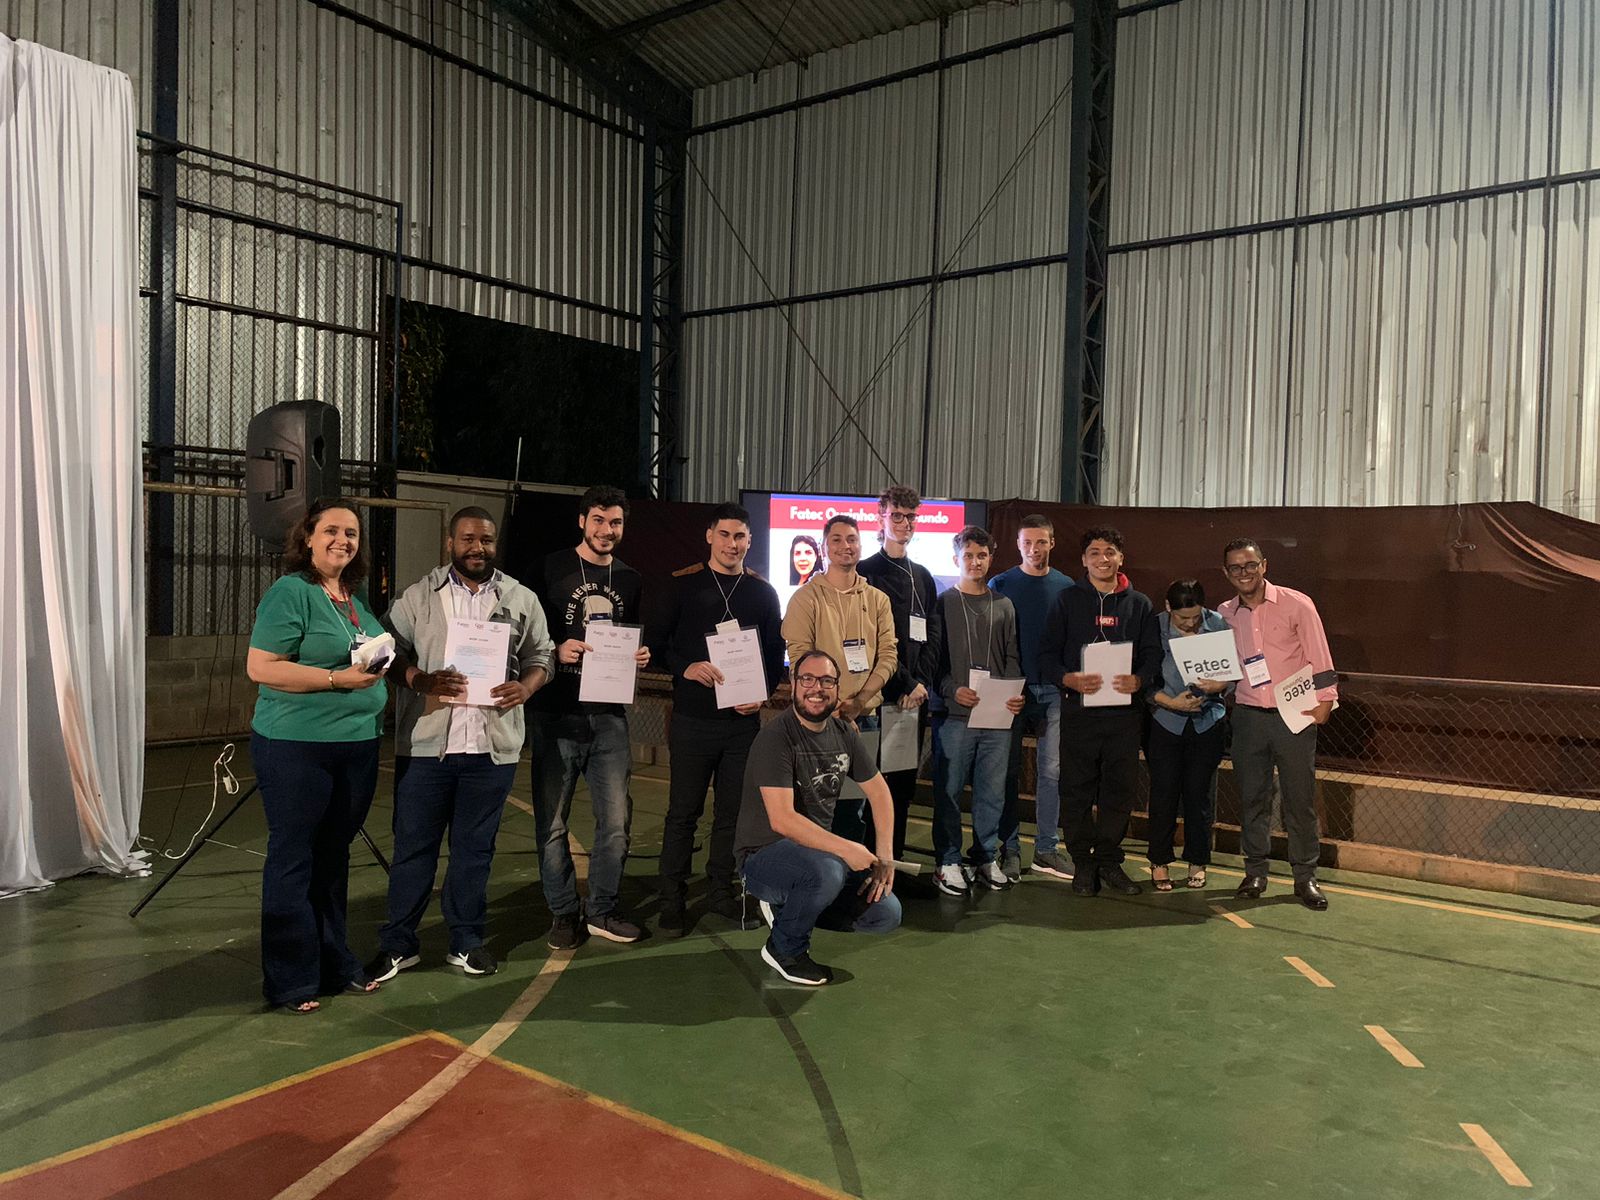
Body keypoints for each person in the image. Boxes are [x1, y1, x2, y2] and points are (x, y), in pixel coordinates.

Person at [366, 507, 555, 982]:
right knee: (414, 849)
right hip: (426, 749)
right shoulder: (417, 596)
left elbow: (543, 655)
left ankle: (466, 941)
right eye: (468, 539)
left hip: (490, 751)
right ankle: (398, 945)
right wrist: (420, 679)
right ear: (450, 543)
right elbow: (387, 650)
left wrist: (526, 687)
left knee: (475, 851)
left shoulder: (521, 598)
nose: (478, 548)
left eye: (486, 540)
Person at [245, 499, 389, 1014]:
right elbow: (261, 667)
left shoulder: (354, 596)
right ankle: (291, 979)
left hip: (356, 745)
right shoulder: (291, 592)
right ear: (307, 538)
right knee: (295, 857)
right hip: (296, 747)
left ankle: (334, 962)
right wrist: (335, 679)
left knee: (333, 857)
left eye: (351, 533)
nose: (342, 540)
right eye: (331, 530)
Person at [647, 503, 786, 936]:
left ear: (750, 540)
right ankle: (672, 899)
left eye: (740, 536)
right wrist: (686, 667)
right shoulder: (683, 586)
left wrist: (762, 694)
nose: (732, 543)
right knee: (682, 814)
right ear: (710, 536)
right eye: (724, 534)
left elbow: (773, 658)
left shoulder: (763, 594)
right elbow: (657, 645)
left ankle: (721, 891)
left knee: (733, 814)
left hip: (741, 726)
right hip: (693, 720)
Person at [528, 486, 653, 949]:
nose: (607, 530)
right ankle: (563, 912)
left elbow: (630, 634)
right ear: (582, 521)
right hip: (556, 713)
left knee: (616, 823)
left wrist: (640, 655)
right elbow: (526, 635)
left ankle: (601, 909)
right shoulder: (548, 568)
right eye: (599, 520)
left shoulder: (630, 578)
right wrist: (555, 650)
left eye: (615, 522)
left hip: (609, 717)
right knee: (552, 823)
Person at [736, 651, 902, 985]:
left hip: (817, 857)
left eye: (827, 681)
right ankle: (784, 948)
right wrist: (848, 849)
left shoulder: (843, 732)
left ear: (837, 688)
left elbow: (880, 793)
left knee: (885, 913)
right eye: (808, 679)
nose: (817, 688)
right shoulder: (776, 738)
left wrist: (885, 856)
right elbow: (783, 821)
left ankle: (789, 909)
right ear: (794, 684)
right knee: (827, 872)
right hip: (764, 856)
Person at [1038, 526, 1162, 896]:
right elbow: (1046, 655)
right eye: (1094, 552)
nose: (1102, 559)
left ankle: (1108, 860)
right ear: (1083, 559)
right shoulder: (1066, 600)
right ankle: (1083, 863)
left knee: (1119, 790)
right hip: (1079, 712)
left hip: (1124, 716)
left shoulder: (1139, 604)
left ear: (1121, 558)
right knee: (1075, 789)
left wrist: (1139, 680)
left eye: (1109, 552)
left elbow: (1153, 654)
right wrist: (1067, 679)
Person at [1218, 538, 1338, 910]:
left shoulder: (1297, 604)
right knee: (1253, 798)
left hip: (1295, 717)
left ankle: (1305, 877)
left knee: (1299, 800)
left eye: (1250, 565)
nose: (1244, 573)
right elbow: (1222, 665)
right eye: (1236, 567)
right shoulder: (1223, 614)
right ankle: (1255, 872)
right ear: (1227, 573)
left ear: (1264, 566)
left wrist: (1327, 700)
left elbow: (1320, 655)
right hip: (1248, 718)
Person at [781, 515, 897, 843]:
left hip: (865, 719)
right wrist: (830, 710)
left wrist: (859, 703)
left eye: (852, 539)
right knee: (813, 808)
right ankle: (813, 873)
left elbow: (888, 656)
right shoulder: (805, 598)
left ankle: (848, 873)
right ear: (824, 547)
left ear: (861, 545)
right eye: (836, 539)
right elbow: (800, 661)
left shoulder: (878, 600)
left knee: (853, 810)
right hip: (817, 721)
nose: (845, 546)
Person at [930, 527, 1026, 895]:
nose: (975, 562)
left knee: (992, 793)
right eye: (968, 555)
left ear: (991, 558)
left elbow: (1012, 656)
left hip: (996, 717)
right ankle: (948, 861)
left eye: (982, 556)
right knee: (949, 792)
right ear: (956, 559)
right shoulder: (942, 603)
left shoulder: (1004, 605)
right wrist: (952, 689)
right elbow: (933, 661)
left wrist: (1015, 694)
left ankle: (985, 856)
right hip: (955, 716)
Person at [857, 485, 940, 859]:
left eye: (911, 517)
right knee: (865, 785)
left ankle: (893, 863)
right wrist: (905, 681)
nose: (905, 523)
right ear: (881, 518)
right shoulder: (865, 573)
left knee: (902, 785)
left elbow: (933, 632)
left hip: (913, 701)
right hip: (875, 696)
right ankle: (862, 862)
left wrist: (920, 683)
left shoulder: (922, 575)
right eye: (897, 516)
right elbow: (872, 639)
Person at [990, 514, 1074, 881]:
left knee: (1052, 772)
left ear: (1052, 543)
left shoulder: (1066, 586)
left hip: (1053, 691)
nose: (1034, 549)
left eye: (1041, 542)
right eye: (1027, 542)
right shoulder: (1001, 584)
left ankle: (1046, 850)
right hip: (1011, 691)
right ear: (1018, 544)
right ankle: (1008, 848)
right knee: (1006, 771)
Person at [1145, 579, 1231, 892]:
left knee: (1199, 796)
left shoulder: (1217, 624)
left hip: (1207, 722)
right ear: (1168, 607)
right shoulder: (1154, 627)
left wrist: (1220, 686)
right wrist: (1170, 702)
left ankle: (1198, 861)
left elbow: (1230, 673)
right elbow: (1143, 679)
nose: (1190, 623)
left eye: (1195, 617)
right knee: (1164, 793)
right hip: (1166, 722)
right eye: (1182, 618)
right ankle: (1159, 861)